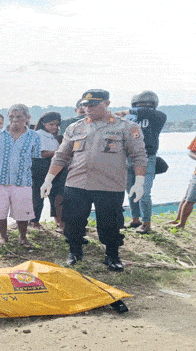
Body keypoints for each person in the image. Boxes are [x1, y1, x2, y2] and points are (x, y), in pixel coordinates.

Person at [42, 89, 147, 275]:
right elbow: (61, 156)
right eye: (85, 105)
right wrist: (48, 179)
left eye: (93, 104)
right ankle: (74, 252)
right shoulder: (75, 128)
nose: (88, 108)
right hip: (77, 183)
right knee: (73, 222)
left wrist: (139, 182)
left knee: (110, 225)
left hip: (109, 185)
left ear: (107, 103)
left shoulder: (126, 127)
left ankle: (112, 256)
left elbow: (138, 156)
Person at [0, 104, 41, 246]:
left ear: (27, 118)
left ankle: (23, 237)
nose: (15, 120)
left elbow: (35, 158)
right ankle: (3, 237)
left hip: (22, 180)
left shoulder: (34, 136)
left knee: (23, 211)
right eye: (11, 117)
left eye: (19, 117)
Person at [117, 91, 167, 234]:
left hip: (147, 157)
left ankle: (146, 223)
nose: (144, 107)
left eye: (148, 104)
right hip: (128, 157)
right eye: (140, 105)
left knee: (144, 192)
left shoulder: (159, 117)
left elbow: (146, 112)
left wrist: (124, 111)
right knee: (131, 190)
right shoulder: (129, 119)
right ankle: (135, 219)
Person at [30, 111, 66, 231]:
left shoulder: (53, 136)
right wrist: (60, 154)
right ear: (43, 124)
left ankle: (59, 222)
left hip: (54, 167)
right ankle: (34, 222)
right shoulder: (39, 134)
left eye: (56, 125)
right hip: (40, 167)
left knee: (56, 196)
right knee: (37, 196)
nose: (54, 127)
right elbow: (42, 153)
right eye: (51, 125)